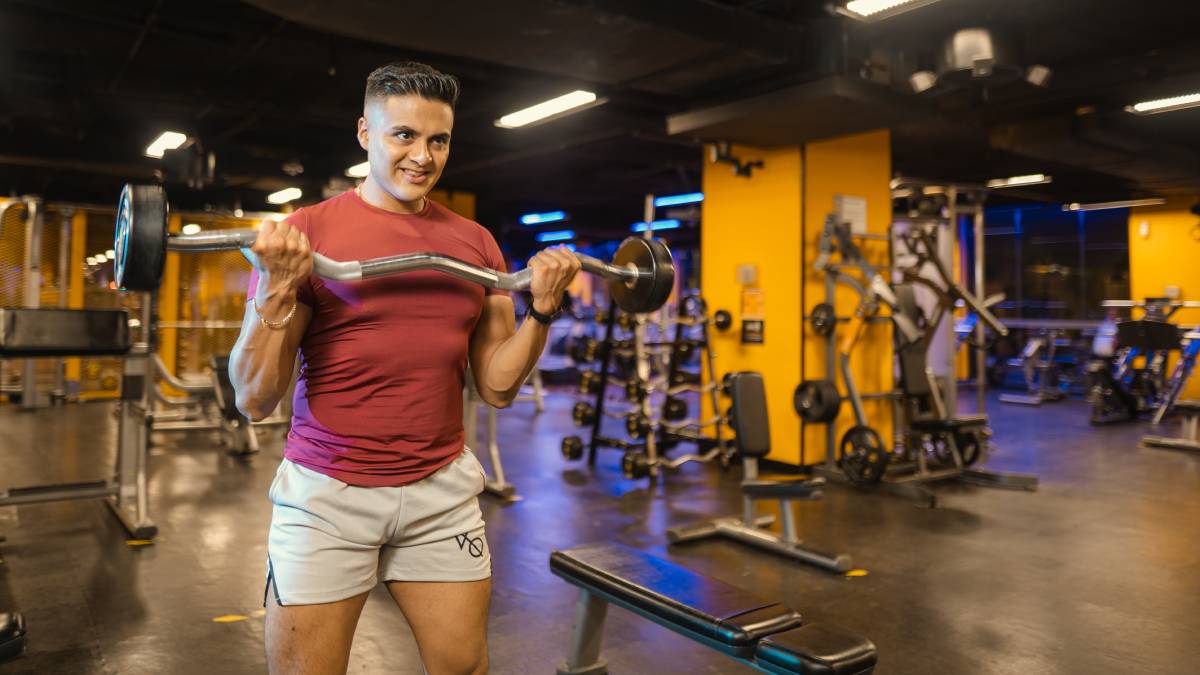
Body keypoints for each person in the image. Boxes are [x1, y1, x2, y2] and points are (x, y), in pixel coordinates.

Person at [229, 61, 580, 675]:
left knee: (464, 668)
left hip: (439, 492)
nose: (423, 156)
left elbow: (496, 387)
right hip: (328, 496)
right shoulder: (304, 235)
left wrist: (542, 311)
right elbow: (253, 399)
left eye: (438, 139)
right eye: (404, 136)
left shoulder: (475, 245)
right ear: (366, 133)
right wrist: (278, 291)